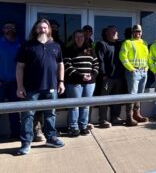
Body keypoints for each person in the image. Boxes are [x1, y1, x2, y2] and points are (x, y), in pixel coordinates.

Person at [15, 18, 65, 155]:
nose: (42, 30)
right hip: (31, 88)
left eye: (45, 27)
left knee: (50, 114)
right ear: (35, 29)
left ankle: (51, 138)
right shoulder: (27, 46)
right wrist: (20, 86)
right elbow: (19, 67)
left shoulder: (56, 45)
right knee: (27, 116)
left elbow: (61, 64)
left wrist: (61, 81)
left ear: (49, 30)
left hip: (51, 87)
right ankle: (26, 143)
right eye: (40, 28)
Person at [64, 30, 99, 136]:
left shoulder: (90, 50)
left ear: (84, 38)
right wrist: (80, 76)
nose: (79, 39)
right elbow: (67, 66)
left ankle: (83, 126)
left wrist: (92, 75)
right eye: (77, 37)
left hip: (89, 83)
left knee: (85, 105)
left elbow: (96, 64)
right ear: (74, 38)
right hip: (75, 83)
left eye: (81, 37)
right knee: (74, 105)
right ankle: (73, 127)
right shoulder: (69, 50)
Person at [95, 25, 126, 128]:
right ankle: (102, 120)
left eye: (116, 32)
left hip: (118, 77)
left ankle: (115, 118)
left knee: (117, 99)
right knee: (104, 99)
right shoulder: (102, 44)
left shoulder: (119, 45)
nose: (116, 33)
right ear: (106, 33)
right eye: (113, 32)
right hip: (107, 78)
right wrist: (103, 74)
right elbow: (100, 60)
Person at [119, 24, 149, 126]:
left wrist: (147, 67)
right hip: (133, 72)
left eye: (139, 32)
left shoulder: (144, 43)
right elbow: (122, 57)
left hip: (143, 71)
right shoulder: (128, 42)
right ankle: (129, 117)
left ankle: (137, 114)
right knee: (132, 95)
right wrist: (131, 69)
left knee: (140, 95)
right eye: (136, 31)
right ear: (132, 33)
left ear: (141, 32)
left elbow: (147, 57)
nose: (138, 33)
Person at [0, 21, 21, 139]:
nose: (8, 30)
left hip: (15, 82)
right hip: (1, 82)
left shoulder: (19, 44)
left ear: (15, 29)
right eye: (6, 27)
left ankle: (15, 133)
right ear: (3, 30)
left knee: (14, 110)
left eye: (11, 27)